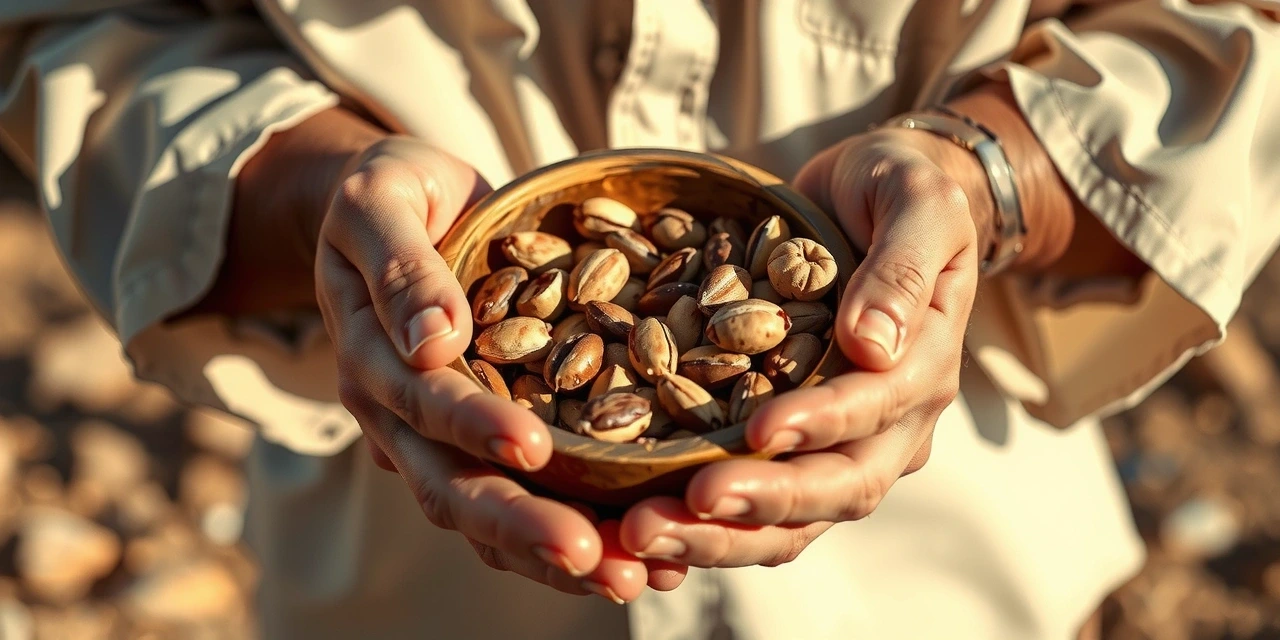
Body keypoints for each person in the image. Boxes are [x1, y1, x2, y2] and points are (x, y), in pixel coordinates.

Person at [2, 0, 1278, 637]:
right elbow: (70, 30)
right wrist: (317, 196)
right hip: (407, 569)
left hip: (943, 565)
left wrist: (990, 180)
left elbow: (1240, 37)